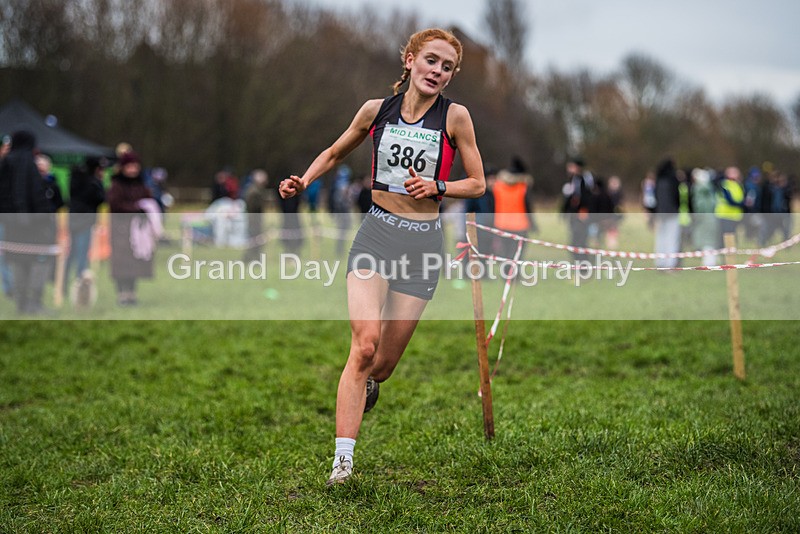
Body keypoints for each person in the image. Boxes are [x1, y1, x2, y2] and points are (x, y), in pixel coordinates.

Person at [278, 28, 485, 486]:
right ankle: (343, 462)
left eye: (447, 67)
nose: (438, 72)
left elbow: (478, 183)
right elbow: (335, 151)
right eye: (431, 61)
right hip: (376, 235)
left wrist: (439, 187)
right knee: (364, 344)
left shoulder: (456, 118)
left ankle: (369, 384)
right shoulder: (376, 111)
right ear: (409, 60)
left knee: (383, 366)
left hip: (422, 247)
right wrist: (304, 180)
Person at [0, 131, 53, 314]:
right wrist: (43, 216)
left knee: (18, 263)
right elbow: (31, 194)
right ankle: (33, 303)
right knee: (35, 263)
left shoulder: (6, 162)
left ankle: (22, 304)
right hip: (32, 226)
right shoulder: (26, 163)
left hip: (11, 225)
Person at [107, 151, 157, 306]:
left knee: (136, 262)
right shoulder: (117, 185)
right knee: (122, 264)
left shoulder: (141, 184)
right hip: (121, 230)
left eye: (135, 166)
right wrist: (135, 209)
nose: (133, 170)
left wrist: (146, 209)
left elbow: (148, 200)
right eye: (130, 166)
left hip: (139, 231)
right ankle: (122, 293)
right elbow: (115, 204)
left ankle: (132, 293)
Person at [65, 156, 106, 284]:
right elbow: (101, 198)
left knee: (72, 252)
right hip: (85, 220)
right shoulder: (92, 182)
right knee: (82, 252)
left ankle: (64, 281)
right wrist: (100, 182)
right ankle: (80, 282)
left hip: (73, 218)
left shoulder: (75, 178)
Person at [561, 156, 593, 262]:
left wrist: (583, 212)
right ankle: (578, 265)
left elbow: (586, 198)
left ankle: (583, 266)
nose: (568, 168)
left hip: (581, 216)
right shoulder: (572, 180)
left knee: (579, 241)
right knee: (574, 241)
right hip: (573, 215)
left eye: (571, 166)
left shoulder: (583, 179)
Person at [652, 157, 680, 268]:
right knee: (672, 238)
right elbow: (676, 196)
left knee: (660, 238)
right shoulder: (673, 179)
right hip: (672, 213)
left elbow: (654, 198)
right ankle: (670, 264)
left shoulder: (658, 180)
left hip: (660, 213)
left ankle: (660, 263)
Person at [243, 169, 269, 264]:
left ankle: (255, 260)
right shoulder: (254, 192)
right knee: (254, 242)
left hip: (254, 220)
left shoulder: (255, 190)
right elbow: (253, 208)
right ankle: (250, 260)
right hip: (254, 221)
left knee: (255, 242)